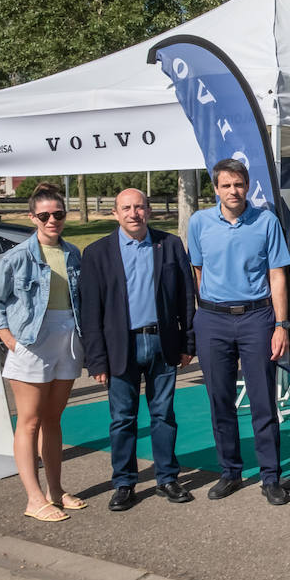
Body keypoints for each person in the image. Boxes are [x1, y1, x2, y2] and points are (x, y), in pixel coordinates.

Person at [79, 189, 196, 512]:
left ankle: (167, 478)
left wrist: (188, 342)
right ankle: (124, 482)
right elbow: (90, 312)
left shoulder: (169, 245)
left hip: (162, 342)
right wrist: (96, 359)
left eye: (140, 207)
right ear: (116, 213)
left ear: (149, 211)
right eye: (126, 208)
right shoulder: (97, 253)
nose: (134, 213)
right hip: (121, 346)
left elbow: (186, 298)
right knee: (122, 419)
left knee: (163, 415)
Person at [187, 159, 290, 506]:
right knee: (220, 401)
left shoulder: (266, 221)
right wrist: (208, 311)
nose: (234, 191)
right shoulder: (199, 222)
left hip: (257, 319)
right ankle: (230, 471)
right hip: (213, 321)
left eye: (239, 184)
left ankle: (270, 476)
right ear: (216, 189)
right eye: (226, 185)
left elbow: (277, 276)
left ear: (247, 186)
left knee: (263, 402)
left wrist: (281, 325)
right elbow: (198, 272)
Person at [0, 182, 85, 523]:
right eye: (44, 215)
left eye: (58, 213)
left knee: (53, 420)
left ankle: (55, 490)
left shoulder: (73, 253)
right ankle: (33, 497)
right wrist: (8, 337)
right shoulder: (17, 257)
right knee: (29, 422)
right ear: (32, 217)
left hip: (67, 338)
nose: (52, 220)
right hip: (31, 342)